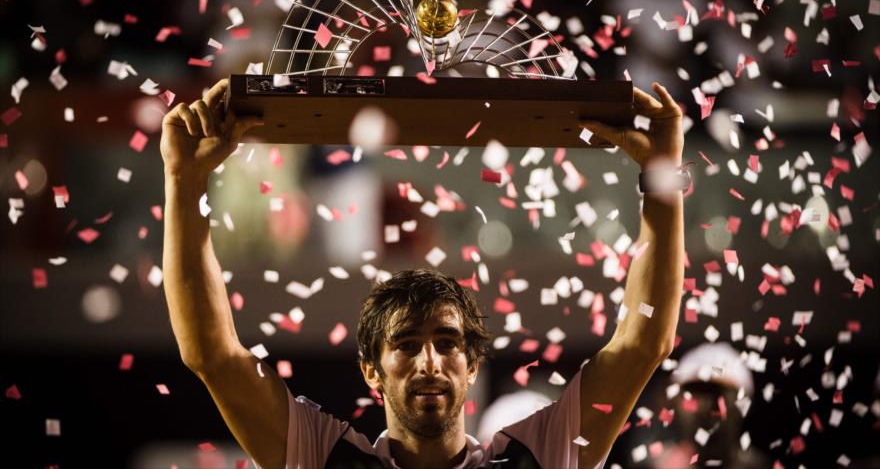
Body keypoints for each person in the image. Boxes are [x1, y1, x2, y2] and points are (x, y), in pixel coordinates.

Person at [160, 78, 686, 468]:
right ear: (371, 370)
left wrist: (663, 171)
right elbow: (212, 355)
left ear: (473, 364)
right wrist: (184, 180)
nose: (429, 362)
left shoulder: (536, 459)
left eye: (447, 342)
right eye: (406, 344)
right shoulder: (324, 459)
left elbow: (643, 345)